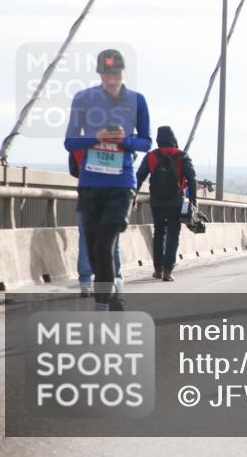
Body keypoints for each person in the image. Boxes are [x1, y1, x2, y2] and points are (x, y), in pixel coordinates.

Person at [64, 48, 151, 311]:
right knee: (93, 249)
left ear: (123, 72)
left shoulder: (137, 100)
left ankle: (100, 310)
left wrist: (123, 141)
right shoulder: (83, 98)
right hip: (90, 184)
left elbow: (146, 142)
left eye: (116, 73)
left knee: (104, 245)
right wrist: (97, 138)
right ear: (100, 73)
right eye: (106, 73)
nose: (111, 78)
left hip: (121, 184)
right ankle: (111, 288)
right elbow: (70, 141)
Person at [135, 125, 197, 281]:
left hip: (156, 201)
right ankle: (168, 272)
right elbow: (192, 179)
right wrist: (194, 201)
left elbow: (139, 177)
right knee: (173, 236)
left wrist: (133, 195)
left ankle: (158, 269)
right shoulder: (182, 156)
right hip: (176, 201)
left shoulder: (151, 156)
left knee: (159, 233)